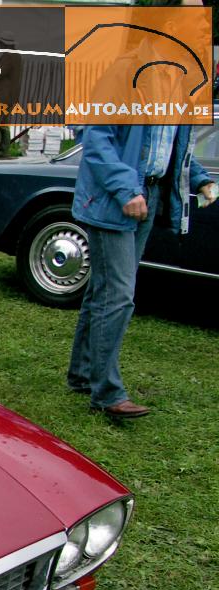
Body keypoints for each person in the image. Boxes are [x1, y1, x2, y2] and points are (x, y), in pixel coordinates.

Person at [67, 124, 216, 419]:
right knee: (119, 296)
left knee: (103, 289)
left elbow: (173, 145)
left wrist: (198, 178)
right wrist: (126, 190)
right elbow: (96, 142)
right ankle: (107, 394)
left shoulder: (175, 91)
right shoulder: (124, 84)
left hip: (149, 193)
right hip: (114, 199)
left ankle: (83, 374)